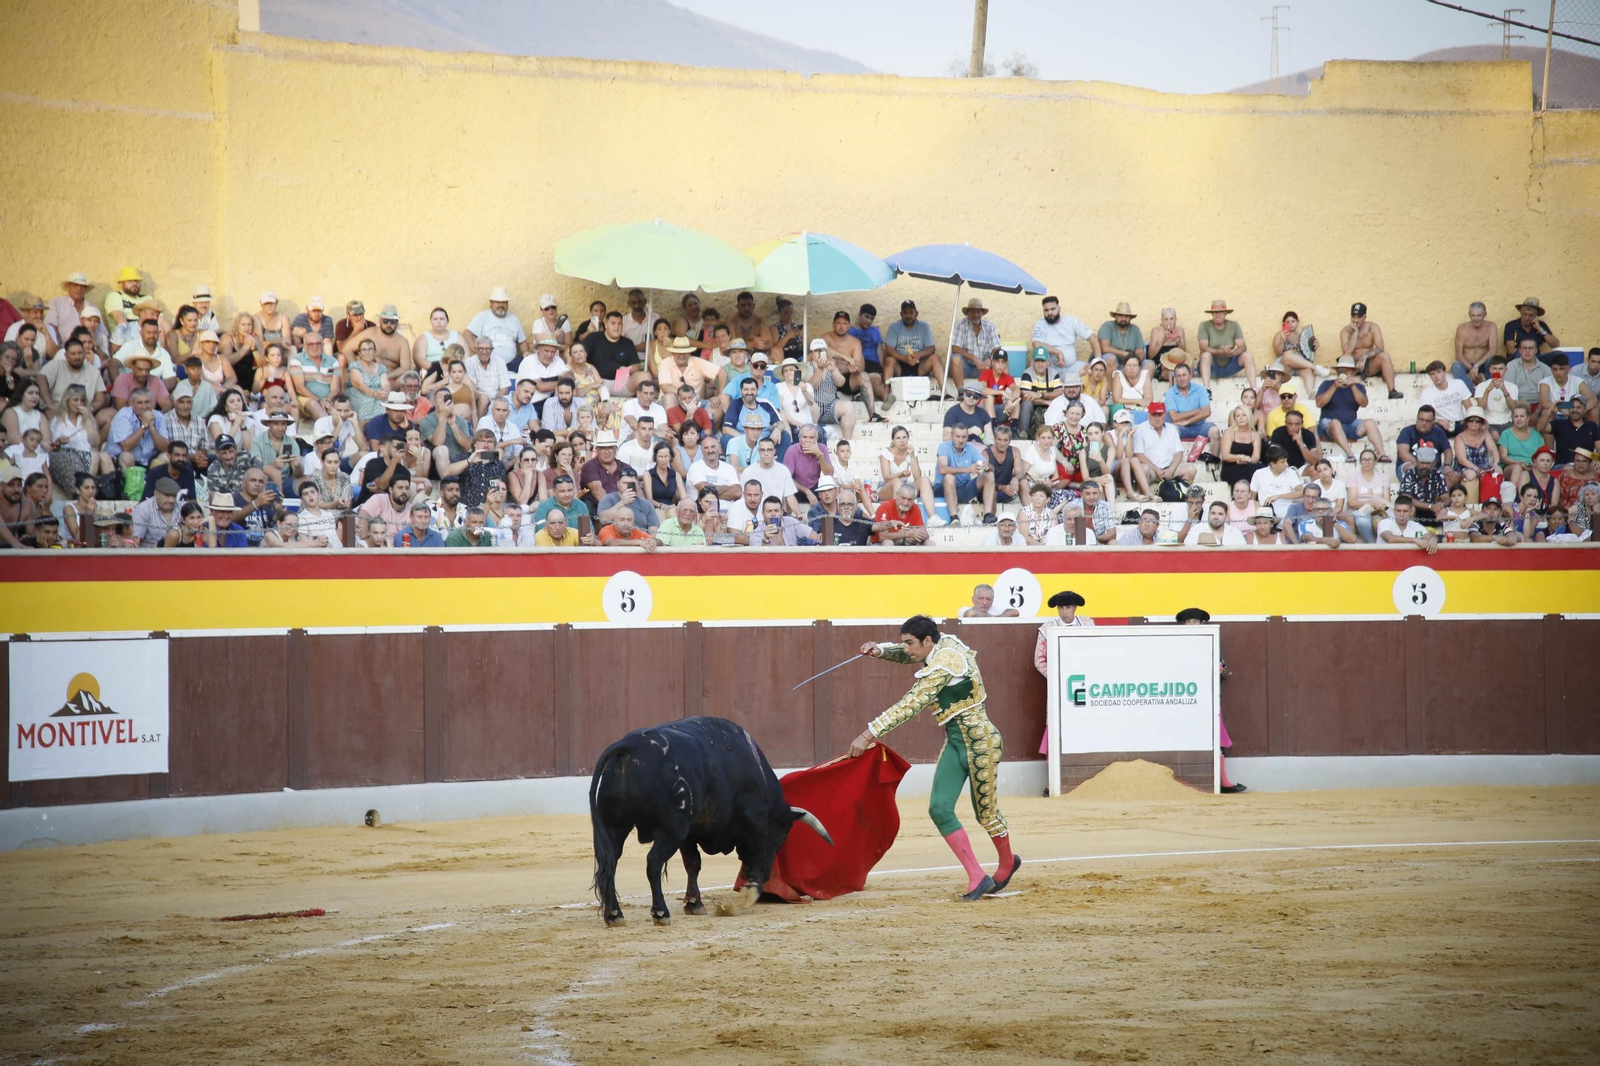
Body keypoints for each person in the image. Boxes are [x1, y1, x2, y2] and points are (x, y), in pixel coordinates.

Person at [848, 616, 1018, 900]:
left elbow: (912, 703)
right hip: (956, 743)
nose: (906, 649)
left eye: (910, 643)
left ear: (928, 641)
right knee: (939, 809)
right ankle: (977, 876)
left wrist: (868, 734)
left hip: (981, 744)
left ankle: (1007, 862)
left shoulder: (944, 664)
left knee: (986, 814)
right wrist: (881, 650)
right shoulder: (942, 642)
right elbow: (909, 654)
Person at [1032, 591, 1094, 754]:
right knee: (1057, 718)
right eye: (1061, 608)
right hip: (1058, 684)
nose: (1064, 611)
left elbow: (1096, 650)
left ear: (1074, 608)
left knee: (1084, 717)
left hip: (1085, 682)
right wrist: (1055, 677)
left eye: (1068, 607)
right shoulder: (1047, 628)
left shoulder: (1088, 624)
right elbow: (1039, 660)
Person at [1340, 302, 1403, 399]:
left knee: (1384, 356)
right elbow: (1347, 352)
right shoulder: (1345, 331)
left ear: (1364, 317)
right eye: (1353, 316)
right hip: (1351, 367)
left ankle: (1392, 391)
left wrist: (1364, 357)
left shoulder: (1373, 327)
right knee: (1344, 359)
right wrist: (1355, 334)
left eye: (1358, 317)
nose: (1355, 320)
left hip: (1368, 364)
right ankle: (1347, 394)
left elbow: (1380, 348)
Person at [1197, 300, 1258, 391]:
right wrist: (1220, 351)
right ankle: (1207, 390)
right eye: (1215, 313)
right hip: (1212, 366)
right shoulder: (1204, 326)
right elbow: (1203, 348)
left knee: (1247, 356)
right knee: (1205, 355)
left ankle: (1254, 390)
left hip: (1230, 364)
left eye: (1220, 312)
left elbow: (1242, 346)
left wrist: (1233, 352)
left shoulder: (1234, 325)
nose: (1217, 315)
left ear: (1225, 313)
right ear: (1212, 314)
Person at [948, 298, 1000, 394]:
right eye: (973, 312)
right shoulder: (960, 325)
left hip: (983, 366)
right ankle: (960, 391)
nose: (976, 315)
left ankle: (1000, 391)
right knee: (955, 358)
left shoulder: (989, 326)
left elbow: (997, 348)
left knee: (1000, 358)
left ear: (982, 313)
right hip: (965, 367)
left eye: (978, 312)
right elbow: (955, 348)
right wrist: (975, 359)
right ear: (968, 313)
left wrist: (989, 359)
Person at [1030, 295, 1092, 375]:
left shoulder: (1071, 321)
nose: (1049, 313)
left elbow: (1092, 337)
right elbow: (1036, 345)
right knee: (1041, 362)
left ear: (1059, 308)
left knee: (1091, 370)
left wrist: (1097, 359)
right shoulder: (1041, 324)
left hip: (1072, 367)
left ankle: (1069, 378)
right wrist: (1058, 352)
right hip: (1050, 368)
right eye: (1046, 310)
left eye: (1053, 309)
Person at [1452, 302, 1498, 387]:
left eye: (1479, 315)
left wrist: (1476, 366)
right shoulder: (1462, 328)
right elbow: (1458, 355)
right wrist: (1471, 368)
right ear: (1469, 315)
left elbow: (1492, 351)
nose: (1476, 318)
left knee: (1493, 361)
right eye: (1473, 315)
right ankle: (1470, 392)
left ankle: (1492, 389)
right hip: (1467, 364)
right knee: (1456, 366)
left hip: (1483, 363)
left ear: (1485, 315)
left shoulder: (1491, 326)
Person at [1502, 296, 1560, 362]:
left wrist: (1540, 329)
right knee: (1518, 354)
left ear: (1536, 315)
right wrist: (1529, 357)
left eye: (1530, 315)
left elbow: (1555, 344)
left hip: (1537, 359)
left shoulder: (1541, 325)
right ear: (1520, 312)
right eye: (1524, 314)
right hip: (1517, 359)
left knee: (1558, 354)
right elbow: (1511, 350)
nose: (1527, 318)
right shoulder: (1511, 325)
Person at [1093, 301, 1144, 368]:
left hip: (1130, 362)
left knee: (1150, 364)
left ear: (1130, 318)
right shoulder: (1107, 326)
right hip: (1109, 361)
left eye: (1126, 316)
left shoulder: (1135, 329)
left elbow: (1140, 352)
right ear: (1115, 317)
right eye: (1120, 315)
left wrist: (1136, 360)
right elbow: (1104, 348)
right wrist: (1126, 354)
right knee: (1111, 359)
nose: (1123, 319)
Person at [1147, 307, 1192, 381]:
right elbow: (1150, 355)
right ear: (1162, 320)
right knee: (1170, 369)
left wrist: (1179, 343)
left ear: (1175, 320)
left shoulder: (1180, 331)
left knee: (1178, 369)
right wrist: (1162, 342)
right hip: (1161, 364)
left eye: (1171, 319)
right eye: (1166, 319)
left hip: (1177, 362)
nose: (1169, 322)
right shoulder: (1156, 331)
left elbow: (1185, 353)